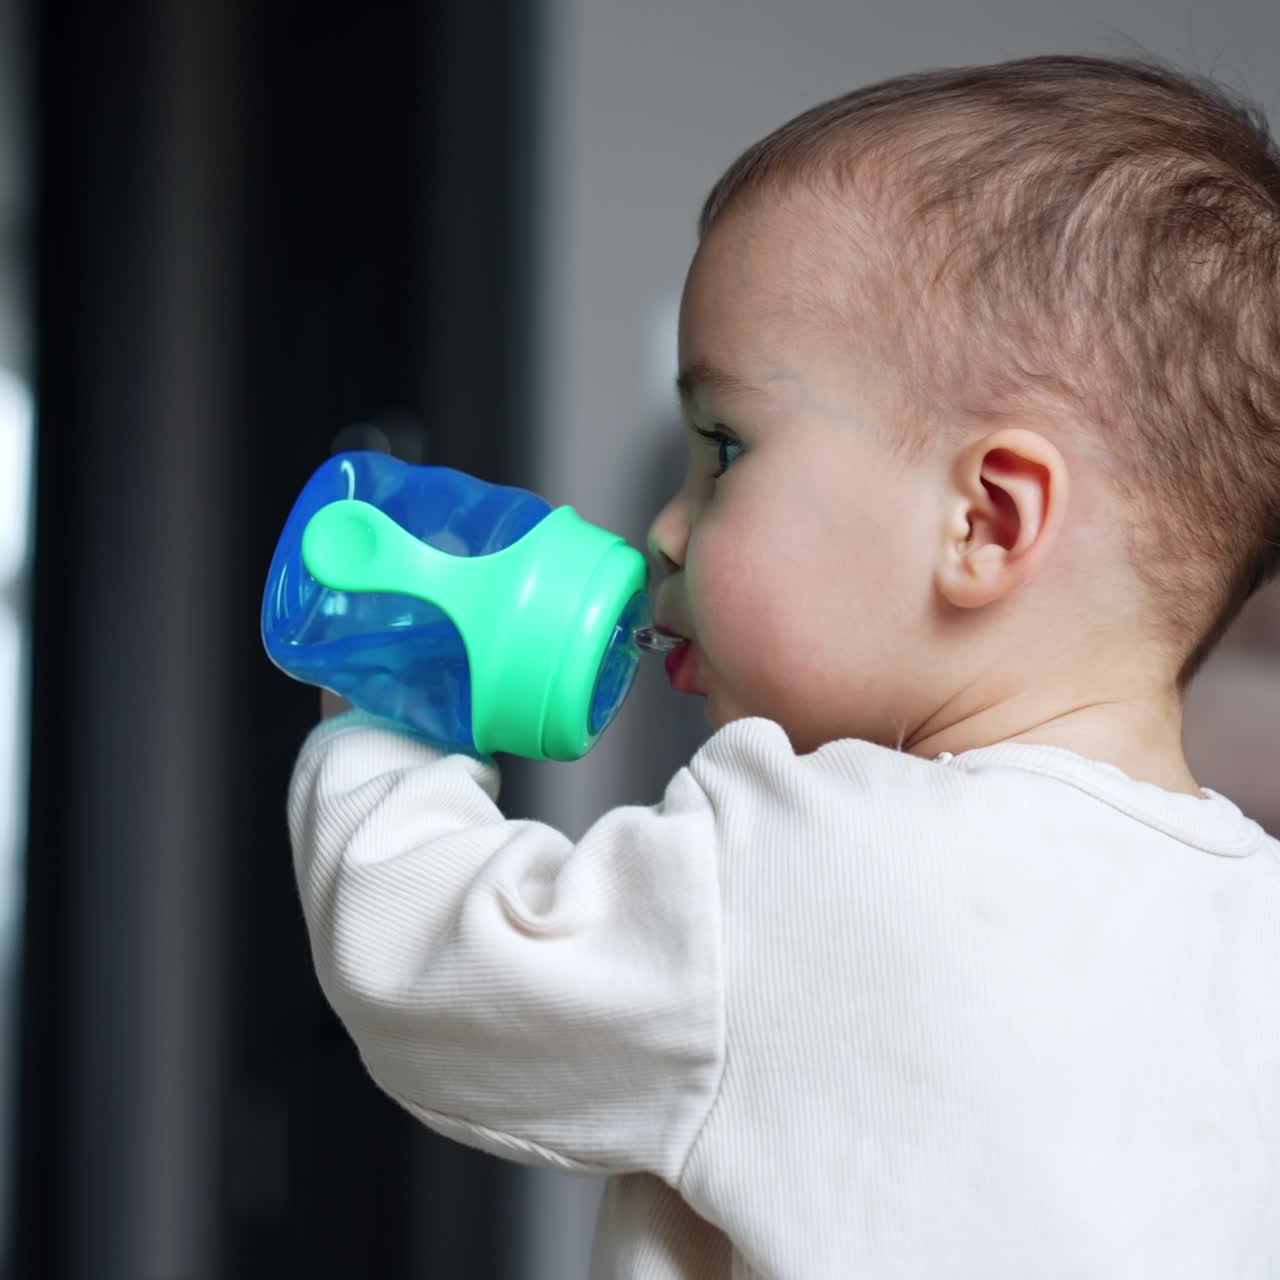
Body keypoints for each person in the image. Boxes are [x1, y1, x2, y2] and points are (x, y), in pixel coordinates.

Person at [288, 54, 1280, 1277]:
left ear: (984, 520)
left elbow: (440, 965)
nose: (662, 527)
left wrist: (391, 704)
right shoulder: (1252, 933)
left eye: (722, 445)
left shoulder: (814, 864)